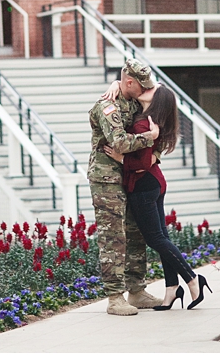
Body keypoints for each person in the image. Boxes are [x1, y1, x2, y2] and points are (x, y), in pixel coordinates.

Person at [103, 83, 210, 310]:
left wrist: (121, 159)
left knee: (156, 240)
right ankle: (172, 287)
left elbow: (142, 162)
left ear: (156, 100)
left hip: (144, 186)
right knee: (162, 238)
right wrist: (115, 84)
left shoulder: (144, 123)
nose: (146, 88)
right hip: (155, 183)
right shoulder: (150, 120)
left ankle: (192, 279)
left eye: (152, 88)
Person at [87, 57, 162, 316]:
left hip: (130, 175)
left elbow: (157, 96)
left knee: (136, 231)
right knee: (114, 238)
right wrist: (149, 137)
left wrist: (155, 153)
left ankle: (137, 290)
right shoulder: (107, 106)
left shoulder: (131, 101)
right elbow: (118, 142)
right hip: (106, 179)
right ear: (129, 82)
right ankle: (115, 297)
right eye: (141, 86)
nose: (144, 91)